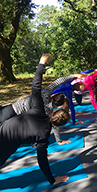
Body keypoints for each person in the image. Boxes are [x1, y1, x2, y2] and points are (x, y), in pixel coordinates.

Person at [0, 53, 70, 185]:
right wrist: (52, 180)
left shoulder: (38, 110)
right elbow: (42, 160)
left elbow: (36, 87)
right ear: (59, 125)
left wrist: (41, 63)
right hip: (6, 147)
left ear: (53, 113)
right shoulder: (43, 136)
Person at [0, 60, 87, 145]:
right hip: (19, 121)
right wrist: (59, 141)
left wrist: (75, 75)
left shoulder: (45, 95)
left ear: (54, 95)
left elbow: (58, 81)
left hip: (11, 110)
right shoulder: (49, 111)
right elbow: (55, 125)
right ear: (58, 106)